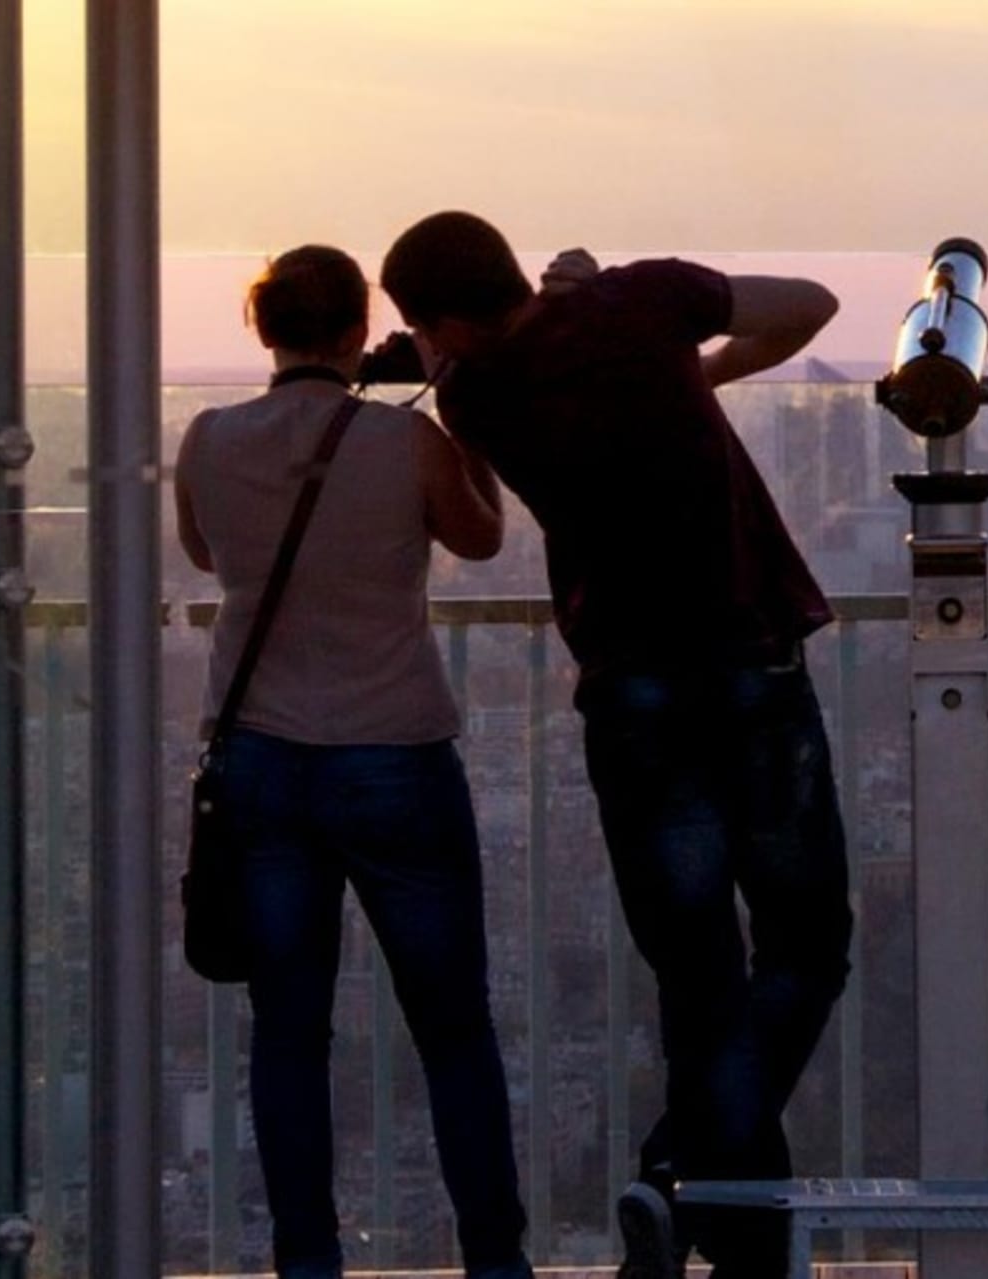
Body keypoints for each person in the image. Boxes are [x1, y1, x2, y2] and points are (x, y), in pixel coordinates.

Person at [376, 210, 845, 1279]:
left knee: (698, 979)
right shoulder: (641, 301)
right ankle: (691, 1190)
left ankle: (709, 1214)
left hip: (633, 695)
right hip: (752, 658)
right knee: (810, 946)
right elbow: (810, 307)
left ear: (443, 324)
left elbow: (494, 469)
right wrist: (697, 364)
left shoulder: (475, 395)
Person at [175, 244, 529, 1279]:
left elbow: (207, 553)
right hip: (393, 749)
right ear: (354, 331)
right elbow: (484, 535)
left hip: (264, 759)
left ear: (264, 329)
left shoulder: (208, 439)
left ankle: (308, 1260)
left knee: (287, 1032)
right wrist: (455, 415)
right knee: (453, 1027)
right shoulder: (403, 440)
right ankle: (496, 1260)